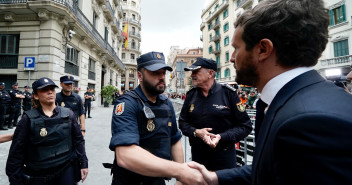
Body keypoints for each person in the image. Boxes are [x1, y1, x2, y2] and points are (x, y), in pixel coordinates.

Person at [188, 0, 352, 184]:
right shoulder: (288, 102)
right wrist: (214, 178)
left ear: (263, 49)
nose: (232, 58)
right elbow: (273, 168)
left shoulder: (311, 122)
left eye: (236, 48)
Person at [109, 51, 206, 185]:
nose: (161, 77)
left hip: (158, 180)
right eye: (155, 73)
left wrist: (181, 179)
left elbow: (175, 140)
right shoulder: (127, 103)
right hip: (130, 180)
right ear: (140, 76)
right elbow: (125, 155)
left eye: (163, 73)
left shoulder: (166, 103)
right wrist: (180, 171)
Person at [6, 77, 88, 185]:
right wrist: (15, 180)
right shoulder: (27, 119)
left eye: (52, 89)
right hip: (38, 174)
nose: (50, 92)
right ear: (35, 95)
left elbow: (78, 140)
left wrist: (84, 163)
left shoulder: (68, 114)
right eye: (44, 90)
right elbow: (16, 153)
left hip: (65, 170)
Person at [179, 57, 252, 171]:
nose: (192, 74)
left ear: (210, 73)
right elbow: (183, 123)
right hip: (199, 158)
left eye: (196, 71)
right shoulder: (191, 95)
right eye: (192, 71)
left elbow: (245, 126)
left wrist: (221, 137)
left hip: (224, 158)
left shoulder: (228, 94)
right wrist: (196, 132)